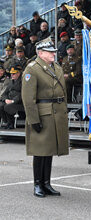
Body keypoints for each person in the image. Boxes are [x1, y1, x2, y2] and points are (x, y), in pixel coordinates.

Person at [21, 37, 69, 197]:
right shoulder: (32, 69)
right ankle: (37, 184)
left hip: (55, 113)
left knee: (49, 151)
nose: (54, 54)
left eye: (54, 51)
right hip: (43, 114)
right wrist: (33, 119)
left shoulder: (56, 67)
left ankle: (47, 183)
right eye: (50, 52)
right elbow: (28, 98)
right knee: (40, 151)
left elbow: (63, 92)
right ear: (41, 53)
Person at [0, 64, 23, 129]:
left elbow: (22, 94)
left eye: (14, 74)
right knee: (1, 105)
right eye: (11, 74)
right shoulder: (11, 82)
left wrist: (13, 101)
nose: (11, 75)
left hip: (18, 103)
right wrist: (5, 100)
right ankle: (6, 122)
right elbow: (5, 93)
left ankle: (11, 123)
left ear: (18, 73)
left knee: (7, 107)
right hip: (9, 100)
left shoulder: (22, 81)